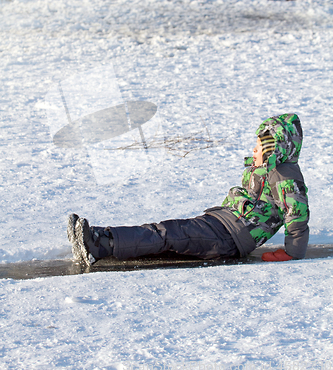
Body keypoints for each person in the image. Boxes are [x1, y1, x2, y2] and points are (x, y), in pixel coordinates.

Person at [67, 113, 310, 266]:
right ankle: (99, 239)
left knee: (166, 234)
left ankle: (99, 243)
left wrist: (293, 252)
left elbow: (296, 213)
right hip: (223, 224)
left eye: (260, 147)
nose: (254, 151)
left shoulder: (285, 176)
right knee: (168, 236)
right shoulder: (268, 170)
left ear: (275, 150)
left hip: (230, 237)